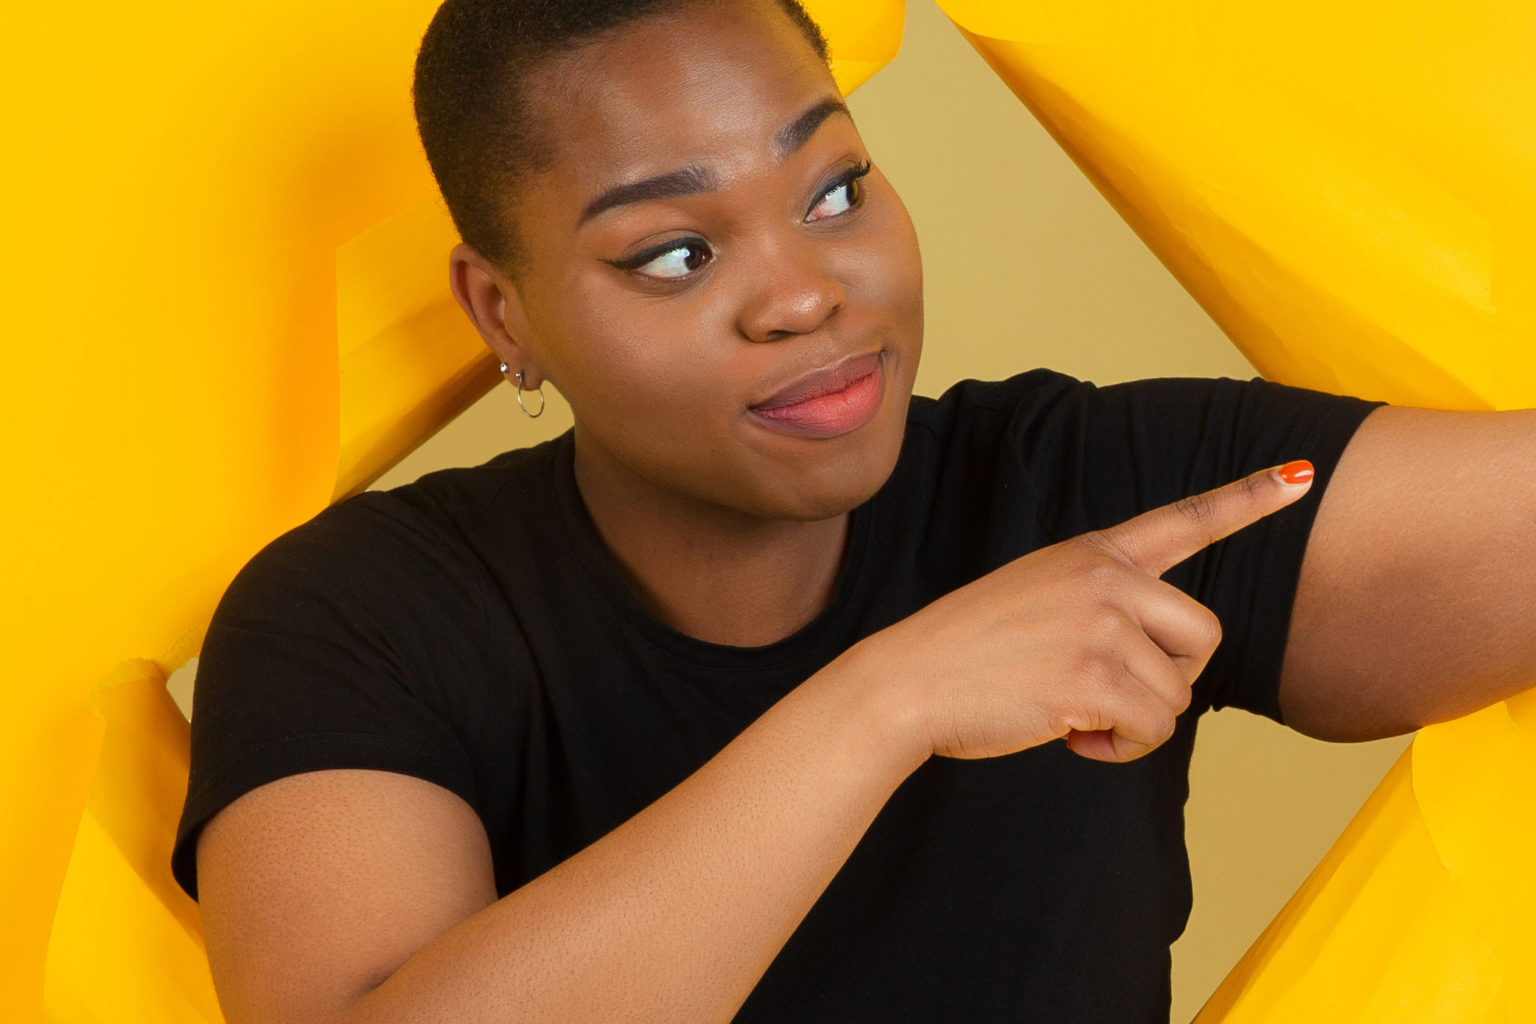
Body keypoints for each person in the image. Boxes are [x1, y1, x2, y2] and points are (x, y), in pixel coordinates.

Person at [171, 1, 1536, 1021]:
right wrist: (891, 702)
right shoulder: (354, 620)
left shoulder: (1092, 494)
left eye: (835, 190)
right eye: (676, 253)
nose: (805, 294)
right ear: (502, 311)